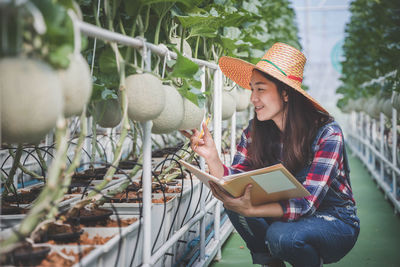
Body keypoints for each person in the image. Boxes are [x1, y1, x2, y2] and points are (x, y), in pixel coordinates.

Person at [181, 43, 359, 267]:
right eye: (252, 89)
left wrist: (251, 209)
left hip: (333, 219)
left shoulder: (327, 133)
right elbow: (234, 180)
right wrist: (212, 157)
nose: (253, 98)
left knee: (282, 236)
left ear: (285, 93)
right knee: (234, 203)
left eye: (261, 89)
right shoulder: (255, 132)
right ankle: (271, 264)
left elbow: (307, 205)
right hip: (284, 214)